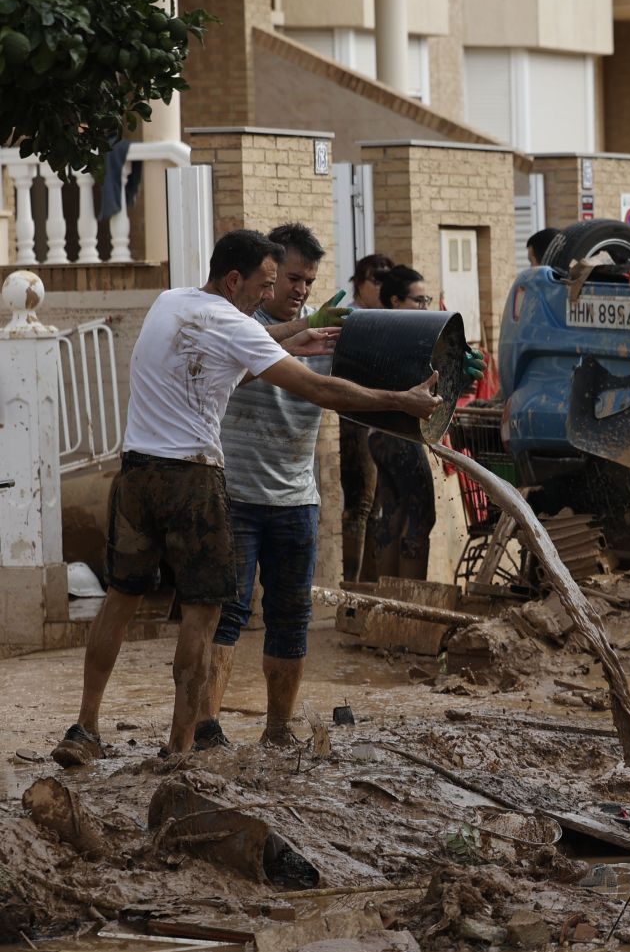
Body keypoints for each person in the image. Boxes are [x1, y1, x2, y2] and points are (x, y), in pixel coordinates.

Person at [50, 230, 442, 766]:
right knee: (203, 616)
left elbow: (238, 338)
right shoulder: (237, 325)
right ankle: (181, 747)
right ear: (235, 279)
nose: (269, 294)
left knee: (120, 600)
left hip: (136, 472)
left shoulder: (171, 302)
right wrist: (403, 399)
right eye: (265, 285)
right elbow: (322, 391)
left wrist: (298, 329)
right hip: (194, 476)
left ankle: (85, 727)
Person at [203, 223, 333, 747]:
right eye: (293, 278)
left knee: (291, 615)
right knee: (224, 612)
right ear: (270, 274)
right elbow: (234, 365)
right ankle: (204, 728)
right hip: (233, 495)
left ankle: (278, 729)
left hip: (297, 499)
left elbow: (375, 375)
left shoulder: (327, 335)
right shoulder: (237, 325)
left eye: (309, 281)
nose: (301, 290)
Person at [360, 264, 441, 582]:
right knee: (421, 517)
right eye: (417, 300)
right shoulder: (403, 333)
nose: (424, 307)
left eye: (426, 300)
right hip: (399, 436)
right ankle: (411, 608)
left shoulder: (377, 328)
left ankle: (390, 603)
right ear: (394, 301)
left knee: (392, 516)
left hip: (380, 436)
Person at [340, 253, 393, 580]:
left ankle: (370, 590)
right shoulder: (353, 318)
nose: (382, 286)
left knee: (375, 509)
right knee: (361, 505)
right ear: (360, 283)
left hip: (377, 420)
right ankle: (352, 588)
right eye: (376, 279)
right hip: (356, 421)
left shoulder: (384, 318)